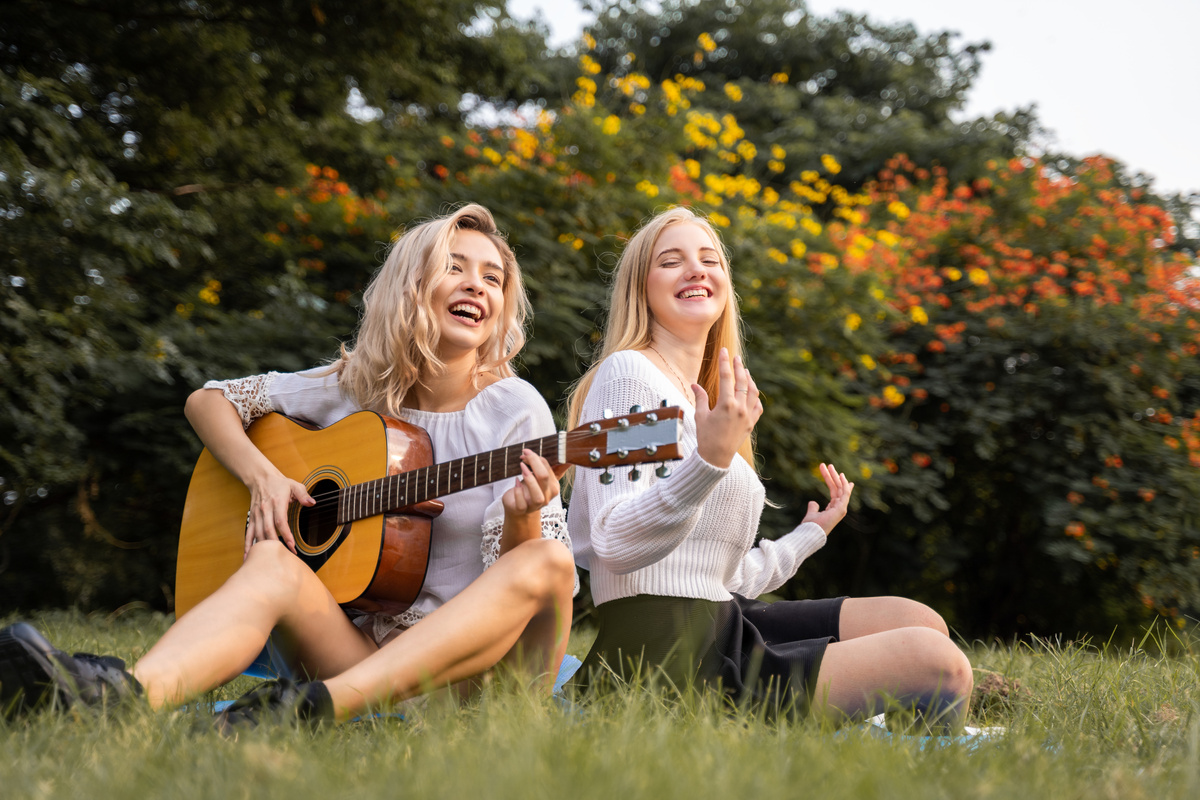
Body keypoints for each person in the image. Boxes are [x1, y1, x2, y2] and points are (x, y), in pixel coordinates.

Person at [0, 204, 577, 729]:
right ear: (412, 285)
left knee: (547, 556)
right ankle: (116, 701)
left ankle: (313, 710)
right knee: (274, 560)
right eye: (455, 267)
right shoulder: (354, 387)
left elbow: (525, 591)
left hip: (473, 684)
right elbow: (210, 400)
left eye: (493, 278)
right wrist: (264, 477)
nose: (476, 284)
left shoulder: (514, 408)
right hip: (357, 660)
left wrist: (523, 518)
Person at [565, 207, 973, 725]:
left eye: (708, 259)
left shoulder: (716, 397)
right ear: (640, 289)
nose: (696, 269)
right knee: (936, 663)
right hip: (662, 652)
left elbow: (722, 575)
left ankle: (910, 739)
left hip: (722, 619)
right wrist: (709, 459)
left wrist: (809, 533)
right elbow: (615, 544)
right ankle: (924, 751)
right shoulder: (630, 374)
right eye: (672, 261)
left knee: (918, 620)